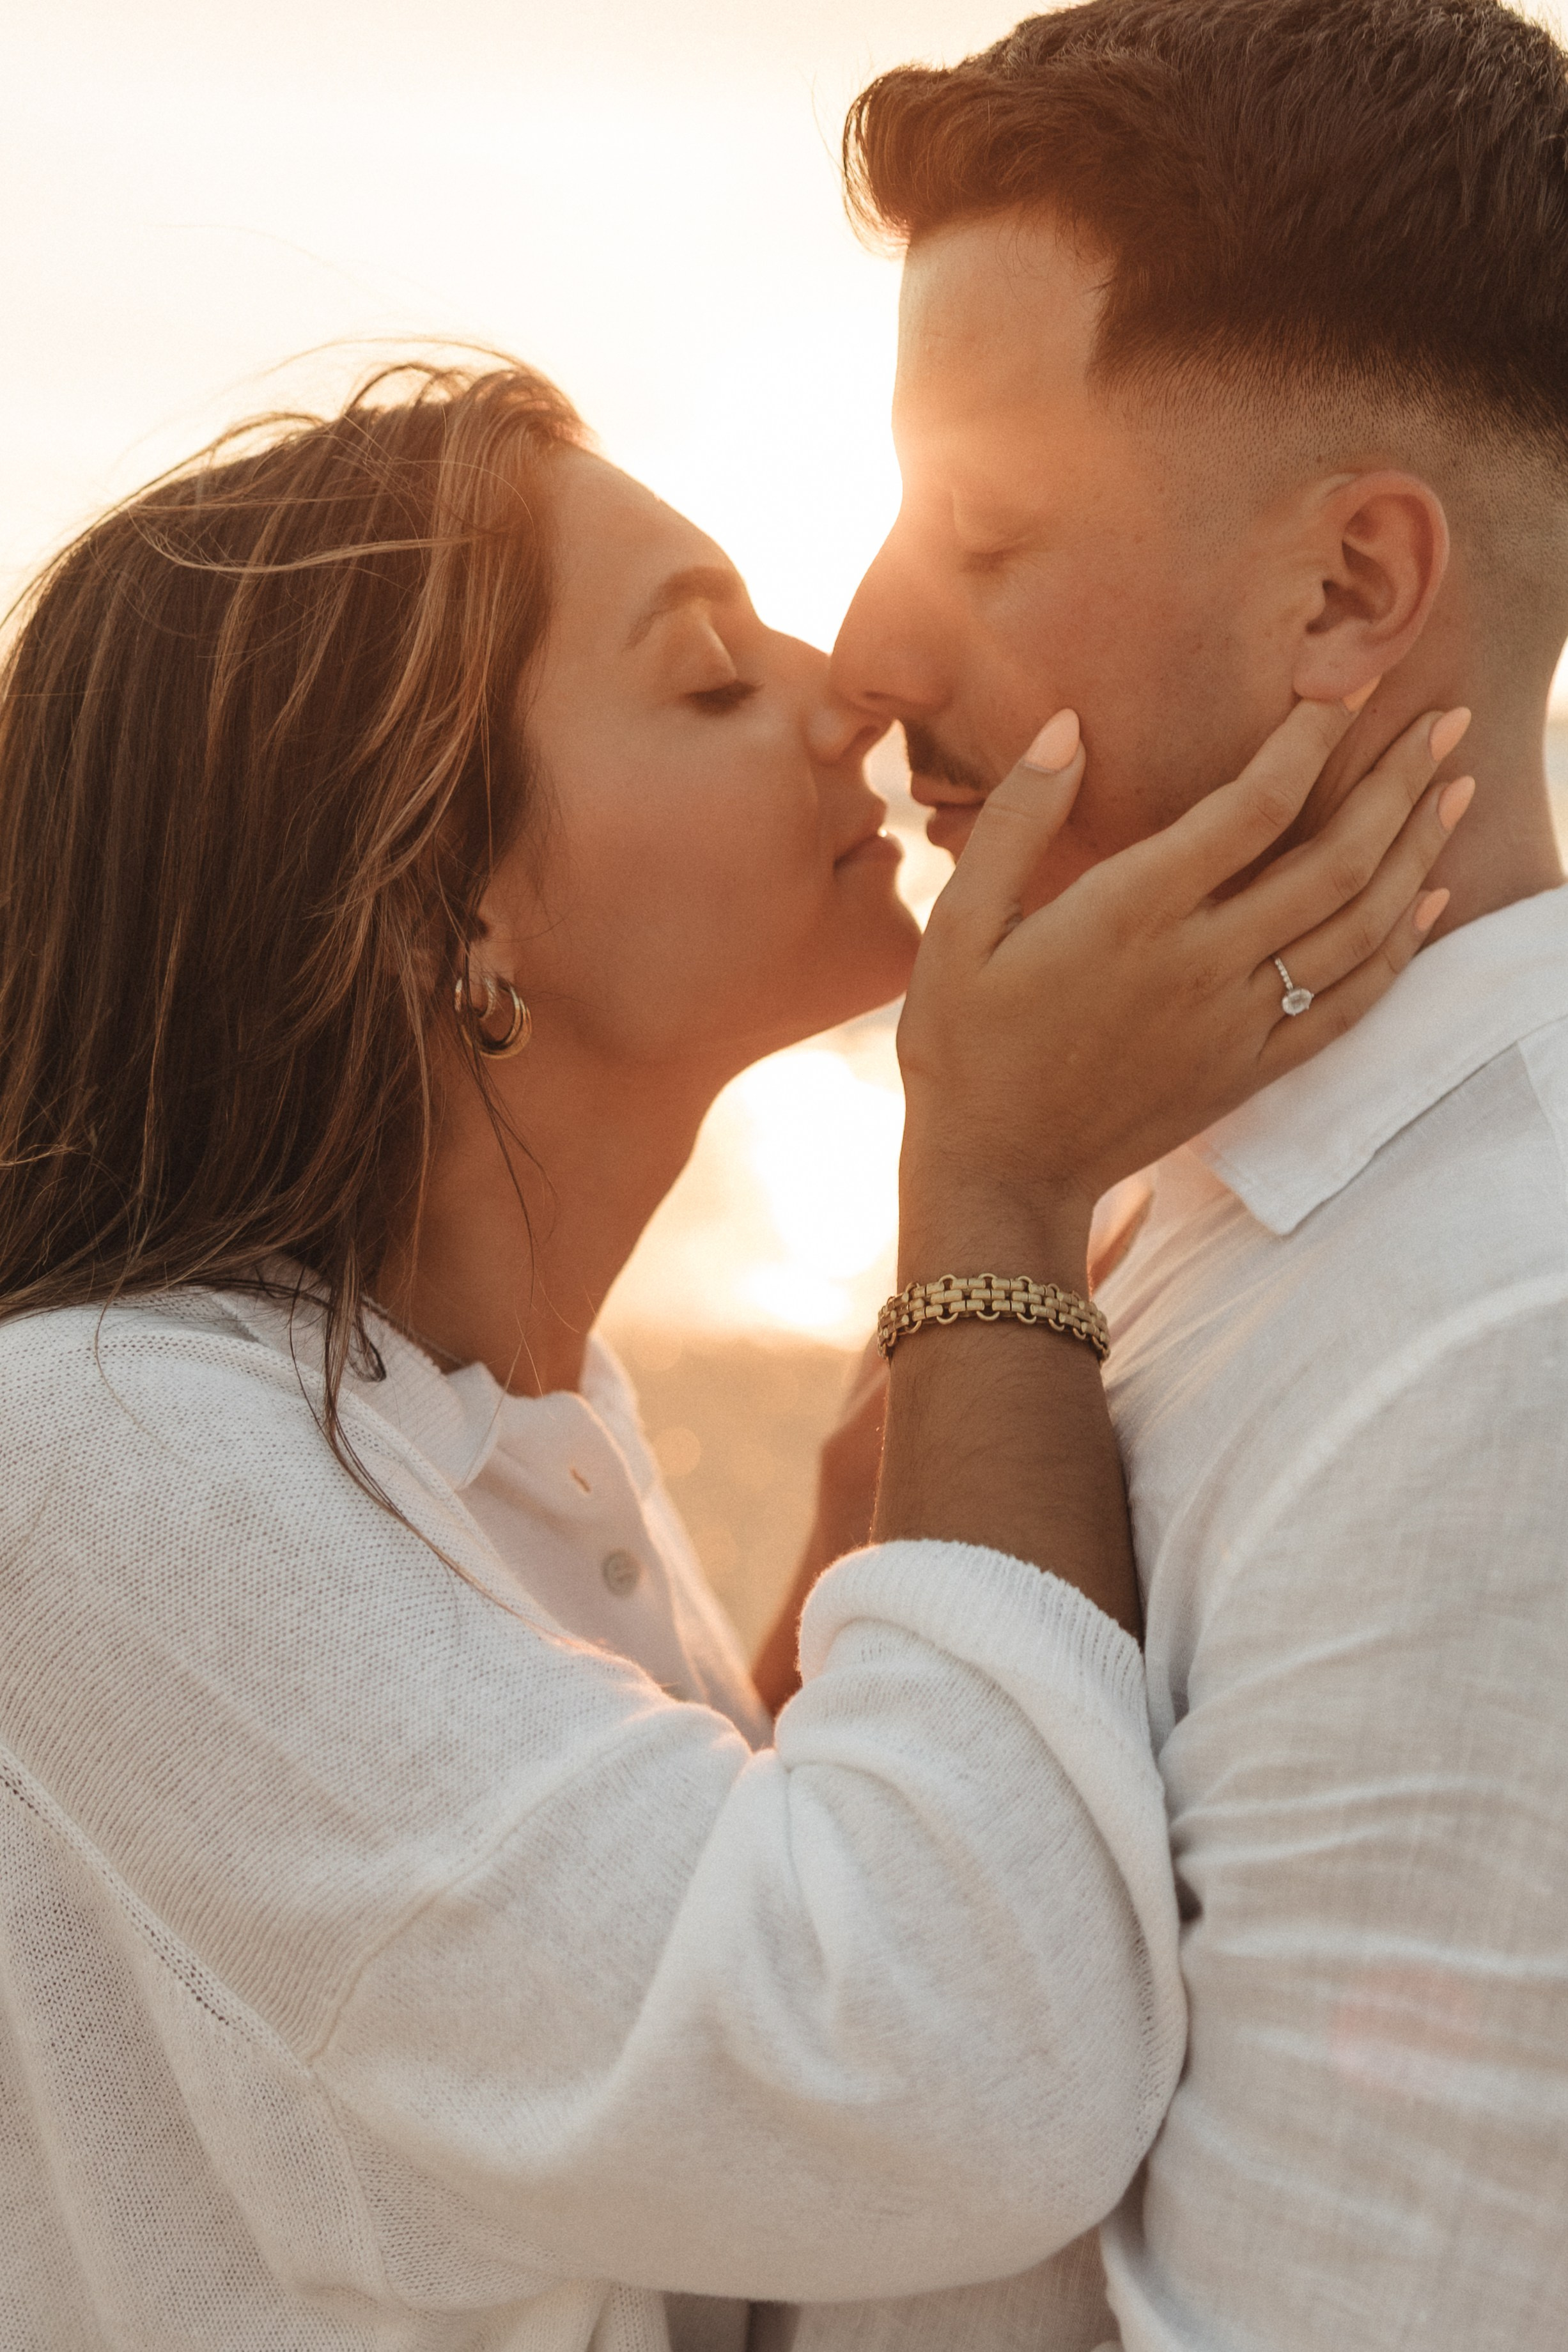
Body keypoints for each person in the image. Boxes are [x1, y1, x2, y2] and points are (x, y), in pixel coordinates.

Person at [0, 355, 1456, 2348]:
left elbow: (669, 2136)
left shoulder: (519, 1431)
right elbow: (952, 2085)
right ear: (443, 918)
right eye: (705, 676)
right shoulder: (92, 1451)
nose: (848, 687)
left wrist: (803, 1674)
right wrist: (994, 1196)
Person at [811, 1, 1568, 2346]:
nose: (868, 646)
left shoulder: (1515, 1353)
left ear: (1349, 589)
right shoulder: (1171, 1207)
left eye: (984, 536)